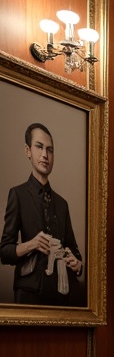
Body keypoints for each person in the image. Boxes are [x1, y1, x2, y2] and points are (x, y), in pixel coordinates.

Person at [1, 123, 84, 305]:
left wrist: (77, 265)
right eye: (39, 147)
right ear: (27, 150)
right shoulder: (18, 194)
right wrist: (31, 244)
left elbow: (76, 253)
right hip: (29, 290)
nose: (45, 155)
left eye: (50, 150)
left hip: (62, 292)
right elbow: (5, 252)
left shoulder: (62, 204)